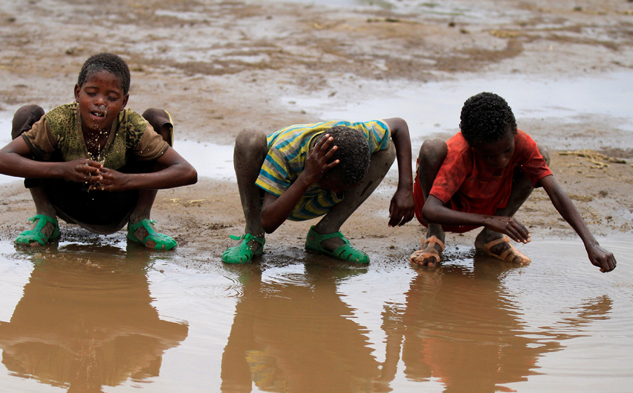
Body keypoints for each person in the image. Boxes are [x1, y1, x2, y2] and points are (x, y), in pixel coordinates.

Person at [0, 52, 197, 249]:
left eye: (112, 97)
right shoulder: (60, 120)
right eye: (91, 93)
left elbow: (187, 172)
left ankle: (140, 222)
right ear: (77, 93)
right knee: (27, 114)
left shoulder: (131, 125)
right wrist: (63, 169)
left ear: (124, 102)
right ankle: (45, 219)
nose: (100, 102)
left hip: (117, 204)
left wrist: (125, 181)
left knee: (157, 118)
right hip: (65, 199)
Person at [410, 91, 616, 272]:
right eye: (489, 156)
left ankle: (490, 237)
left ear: (514, 132)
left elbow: (554, 191)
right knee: (433, 148)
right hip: (445, 212)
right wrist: (487, 219)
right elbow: (430, 210)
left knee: (540, 158)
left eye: (507, 150)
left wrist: (592, 243)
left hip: (490, 208)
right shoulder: (461, 153)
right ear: (473, 146)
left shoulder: (521, 143)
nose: (501, 161)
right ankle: (435, 236)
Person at [222, 118, 415, 264]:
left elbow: (399, 125)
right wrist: (306, 177)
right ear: (322, 172)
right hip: (279, 200)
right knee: (249, 138)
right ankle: (253, 237)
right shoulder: (285, 152)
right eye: (335, 186)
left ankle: (325, 234)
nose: (339, 192)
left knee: (387, 150)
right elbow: (268, 222)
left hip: (317, 196)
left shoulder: (360, 135)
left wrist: (406, 188)